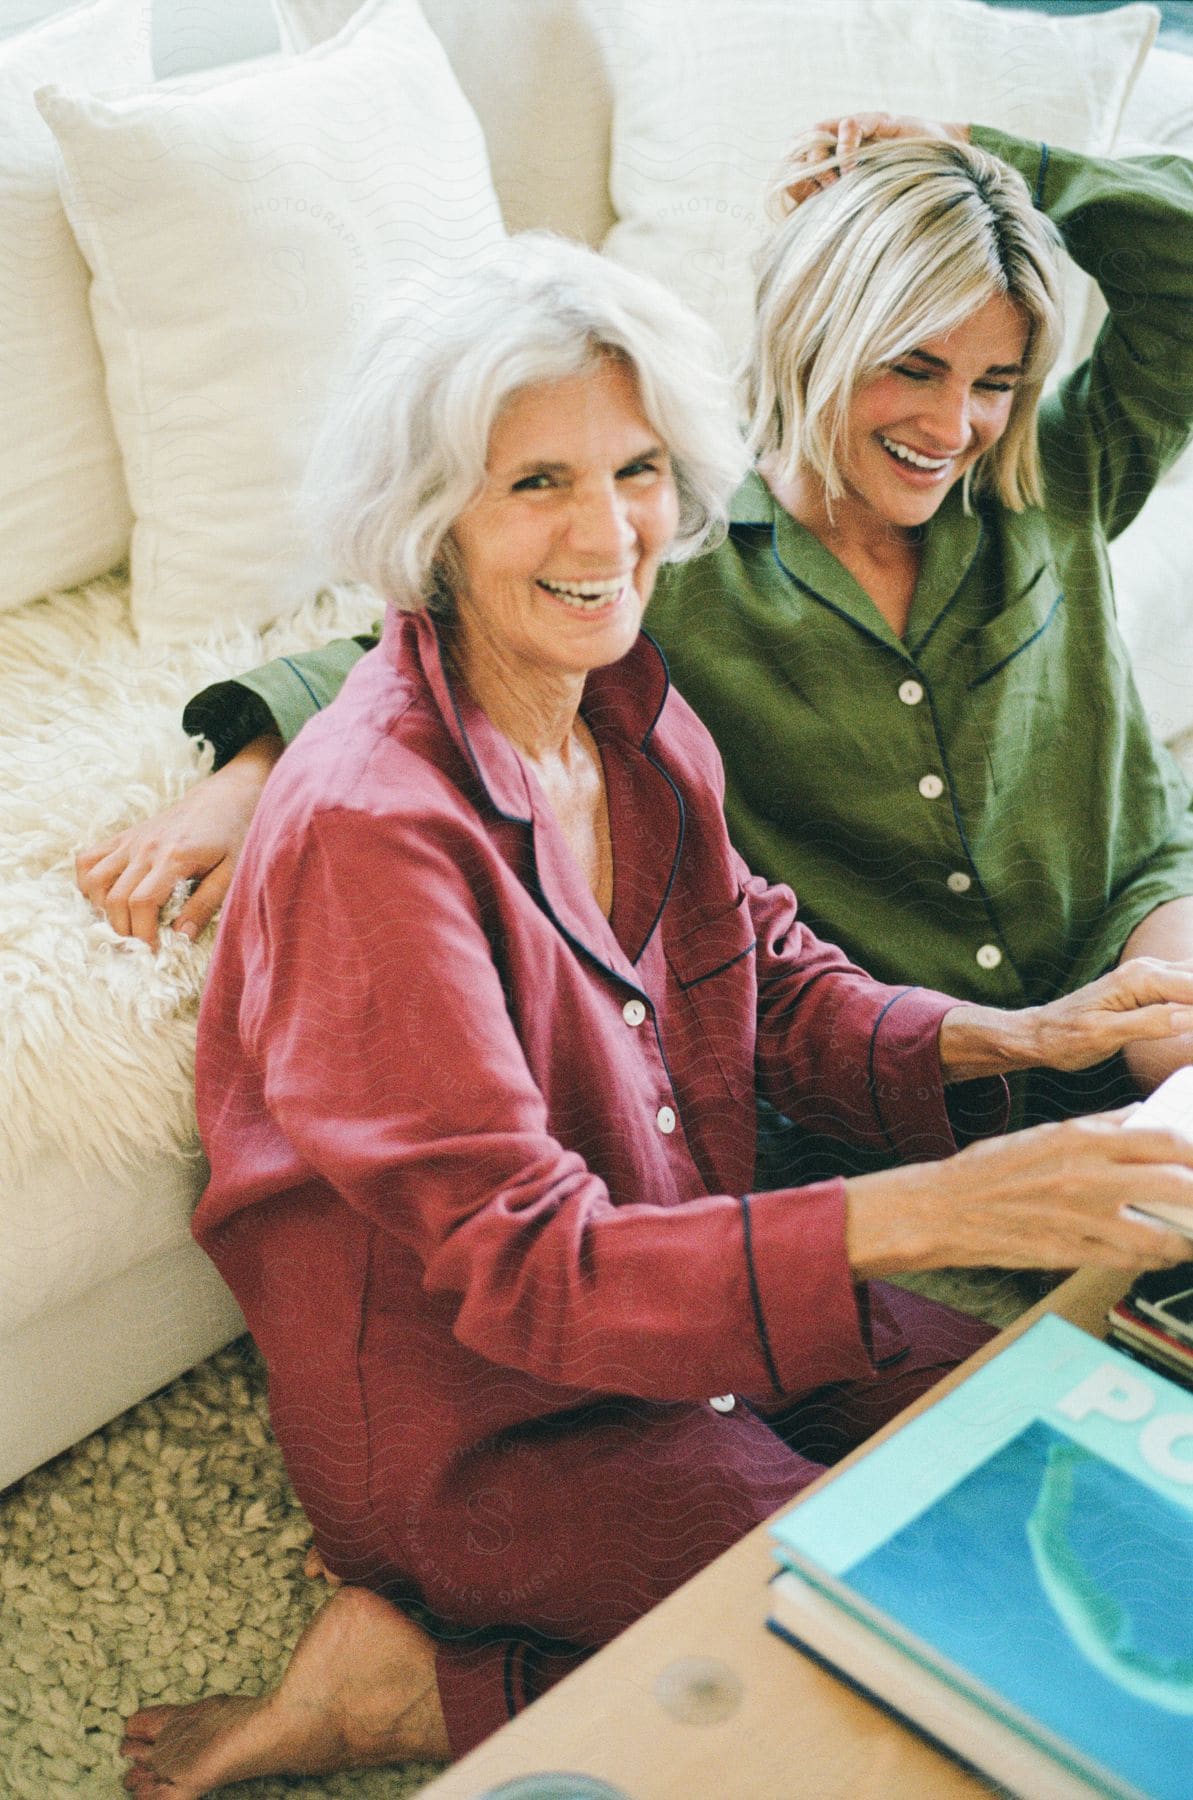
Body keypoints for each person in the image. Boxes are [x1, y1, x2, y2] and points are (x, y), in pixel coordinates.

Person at [117, 226, 1193, 1799]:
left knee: (1080, 1479)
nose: (609, 529)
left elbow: (760, 970)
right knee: (924, 1649)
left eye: (633, 469)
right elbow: (522, 1269)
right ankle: (398, 1690)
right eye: (534, 482)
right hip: (490, 1410)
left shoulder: (626, 706)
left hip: (699, 1272)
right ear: (431, 521)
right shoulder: (371, 829)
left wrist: (1022, 1037)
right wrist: (941, 1203)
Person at [79, 116, 1193, 1160]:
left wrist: (986, 171)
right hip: (914, 1027)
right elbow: (439, 640)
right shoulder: (673, 560)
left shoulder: (1058, 472)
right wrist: (248, 772)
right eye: (912, 367)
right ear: (822, 332)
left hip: (1126, 919)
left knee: (1174, 1045)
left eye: (991, 383)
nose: (952, 426)